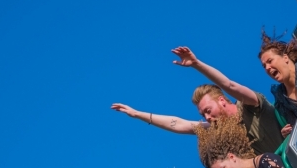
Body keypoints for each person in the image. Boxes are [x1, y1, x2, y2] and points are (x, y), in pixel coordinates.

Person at [111, 46, 286, 157]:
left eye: (208, 110)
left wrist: (196, 64)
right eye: (203, 115)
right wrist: (137, 114)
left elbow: (229, 84)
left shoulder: (249, 105)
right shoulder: (221, 128)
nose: (207, 117)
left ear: (222, 101)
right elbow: (180, 124)